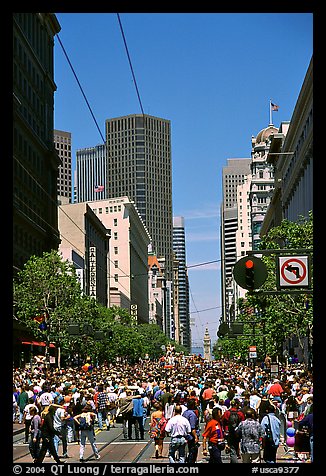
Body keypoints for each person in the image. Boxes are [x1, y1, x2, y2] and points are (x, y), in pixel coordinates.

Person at [182, 398, 200, 463]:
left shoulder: (185, 413)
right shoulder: (192, 414)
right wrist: (196, 437)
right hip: (191, 436)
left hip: (185, 434)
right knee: (193, 451)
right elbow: (192, 427)